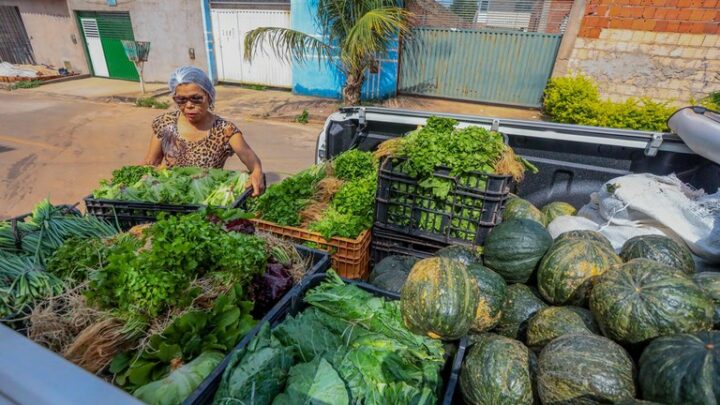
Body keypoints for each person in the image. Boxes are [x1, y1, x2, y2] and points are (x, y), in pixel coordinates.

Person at [143, 66, 265, 196]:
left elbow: (250, 159)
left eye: (196, 98)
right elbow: (151, 163)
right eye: (181, 100)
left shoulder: (225, 130)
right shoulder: (165, 124)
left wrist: (257, 172)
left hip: (209, 199)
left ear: (209, 96)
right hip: (173, 196)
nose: (189, 105)